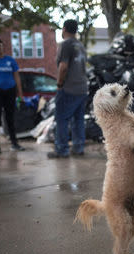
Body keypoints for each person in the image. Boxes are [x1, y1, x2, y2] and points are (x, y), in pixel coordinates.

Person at [47, 19, 88, 159]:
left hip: (69, 88)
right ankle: (78, 147)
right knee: (78, 120)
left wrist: (59, 85)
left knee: (62, 119)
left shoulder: (66, 44)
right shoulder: (80, 45)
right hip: (82, 88)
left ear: (64, 29)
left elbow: (63, 67)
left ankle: (62, 149)